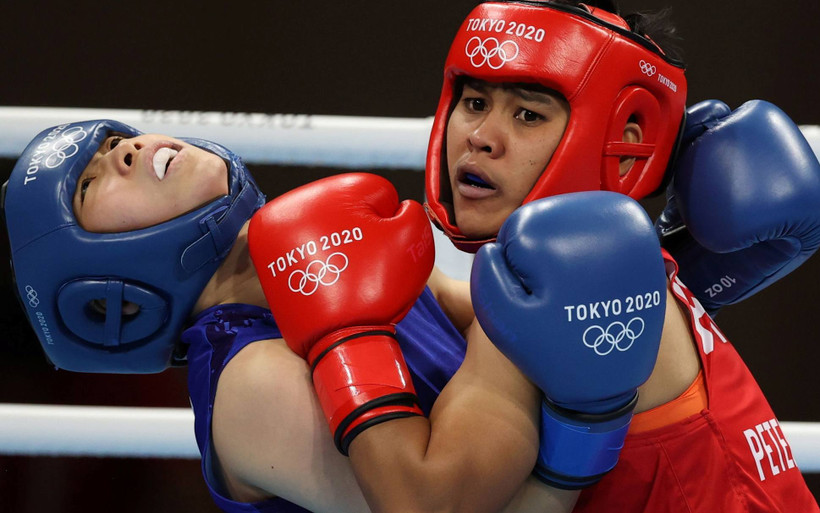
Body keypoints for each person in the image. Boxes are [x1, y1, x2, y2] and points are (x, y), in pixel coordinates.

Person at [3, 3, 820, 513]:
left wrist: (685, 269)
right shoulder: (250, 378)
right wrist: (584, 430)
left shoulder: (338, 253)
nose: (128, 149)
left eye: (116, 139)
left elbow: (550, 325)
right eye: (90, 181)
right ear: (100, 294)